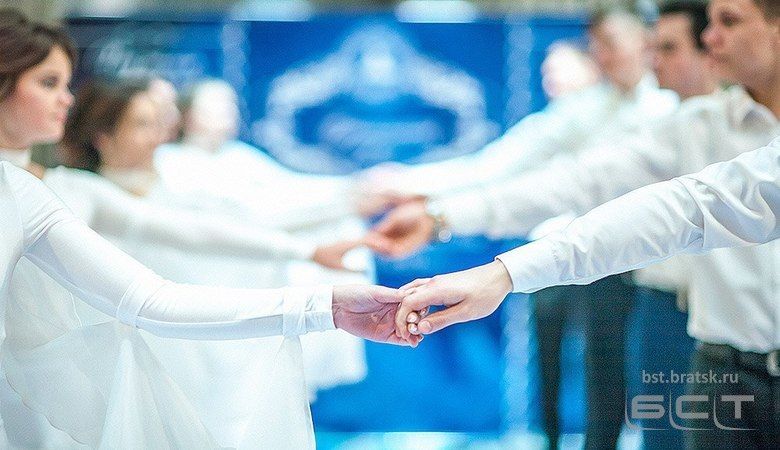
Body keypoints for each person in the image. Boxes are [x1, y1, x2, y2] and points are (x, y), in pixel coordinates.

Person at [0, 8, 417, 448]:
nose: (65, 99)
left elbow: (181, 256)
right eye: (48, 83)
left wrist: (322, 299)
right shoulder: (57, 189)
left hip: (55, 389)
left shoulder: (40, 192)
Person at [391, 1, 780, 446]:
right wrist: (453, 224)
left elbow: (683, 208)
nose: (711, 39)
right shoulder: (692, 125)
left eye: (729, 22)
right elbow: (598, 186)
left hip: (672, 311)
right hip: (720, 358)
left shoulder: (667, 115)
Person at [371, 8, 679, 448]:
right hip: (587, 256)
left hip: (665, 276)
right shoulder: (584, 110)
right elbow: (514, 169)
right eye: (596, 46)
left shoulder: (674, 111)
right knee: (581, 366)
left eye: (612, 43)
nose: (604, 56)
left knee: (651, 389)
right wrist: (426, 197)